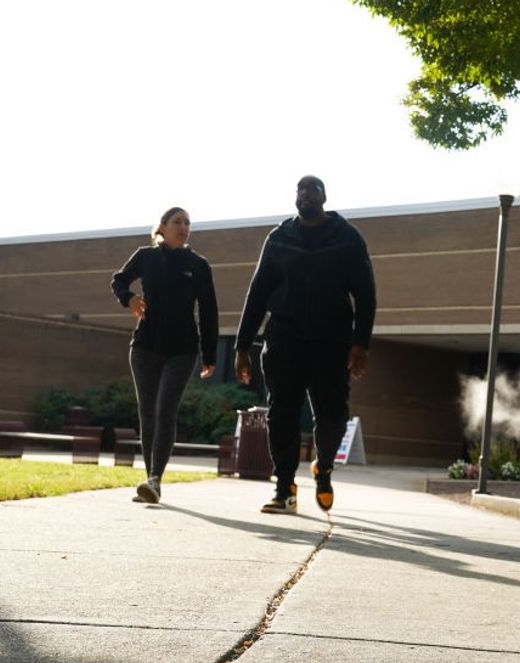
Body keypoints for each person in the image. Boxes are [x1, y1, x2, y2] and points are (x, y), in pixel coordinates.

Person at [234, 175, 376, 515]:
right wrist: (241, 346)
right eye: (301, 189)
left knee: (332, 416)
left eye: (312, 189)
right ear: (295, 197)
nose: (306, 194)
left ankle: (323, 467)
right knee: (281, 413)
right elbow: (257, 293)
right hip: (285, 337)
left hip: (332, 340)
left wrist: (361, 344)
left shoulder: (347, 238)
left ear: (324, 196)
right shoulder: (279, 238)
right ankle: (284, 488)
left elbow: (366, 294)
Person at [110, 207, 218, 504]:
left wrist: (210, 353)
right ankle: (151, 480)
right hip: (145, 346)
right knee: (147, 413)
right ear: (163, 227)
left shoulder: (198, 265)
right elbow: (118, 280)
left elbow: (209, 311)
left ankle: (155, 478)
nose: (183, 227)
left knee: (164, 410)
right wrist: (128, 298)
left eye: (187, 222)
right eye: (177, 222)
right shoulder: (145, 256)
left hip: (182, 350)